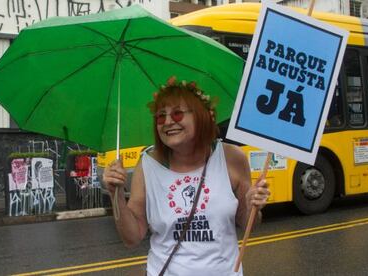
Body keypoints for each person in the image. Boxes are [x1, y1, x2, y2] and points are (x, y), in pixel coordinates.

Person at [102, 76, 270, 276]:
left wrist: (253, 206)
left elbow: (247, 221)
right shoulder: (147, 165)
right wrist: (116, 196)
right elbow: (132, 238)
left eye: (178, 114)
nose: (168, 122)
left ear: (201, 116)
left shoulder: (231, 158)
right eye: (160, 116)